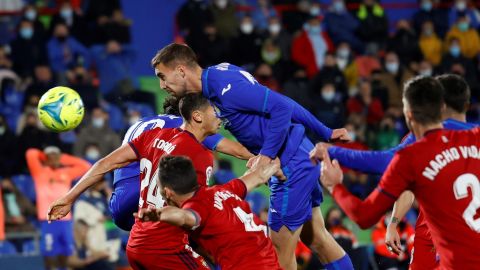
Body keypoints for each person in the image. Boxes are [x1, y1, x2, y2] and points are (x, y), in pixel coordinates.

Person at [150, 43, 353, 270]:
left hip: (289, 167)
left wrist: (265, 156)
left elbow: (282, 108)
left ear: (181, 70)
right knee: (316, 238)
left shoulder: (226, 88)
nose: (162, 85)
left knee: (280, 256)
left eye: (162, 76)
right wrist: (326, 131)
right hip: (301, 154)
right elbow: (279, 103)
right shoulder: (219, 74)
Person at [47, 94, 262, 269]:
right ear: (195, 116)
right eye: (214, 112)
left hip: (136, 239)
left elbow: (104, 164)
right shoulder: (199, 155)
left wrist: (68, 198)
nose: (219, 117)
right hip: (165, 245)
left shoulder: (151, 135)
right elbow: (198, 211)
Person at [313, 74, 476, 269]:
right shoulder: (475, 134)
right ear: (441, 107)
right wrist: (394, 222)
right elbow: (409, 183)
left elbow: (364, 213)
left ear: (407, 115)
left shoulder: (411, 155)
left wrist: (334, 182)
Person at [110, 96, 253, 231]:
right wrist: (269, 158)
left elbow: (109, 163)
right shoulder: (182, 125)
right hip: (148, 199)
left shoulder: (141, 122)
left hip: (119, 202)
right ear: (191, 114)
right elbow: (238, 151)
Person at [136, 155, 282, 269]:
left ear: (167, 192)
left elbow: (185, 217)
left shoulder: (196, 207)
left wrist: (160, 214)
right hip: (271, 264)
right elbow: (258, 176)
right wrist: (276, 167)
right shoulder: (224, 190)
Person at [26, 146, 91, 270]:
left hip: (65, 219)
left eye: (56, 155)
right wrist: (44, 157)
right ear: (45, 158)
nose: (53, 158)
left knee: (66, 251)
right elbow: (31, 153)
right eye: (50, 156)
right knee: (49, 252)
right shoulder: (39, 172)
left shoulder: (66, 173)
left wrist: (63, 159)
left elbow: (86, 166)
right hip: (48, 219)